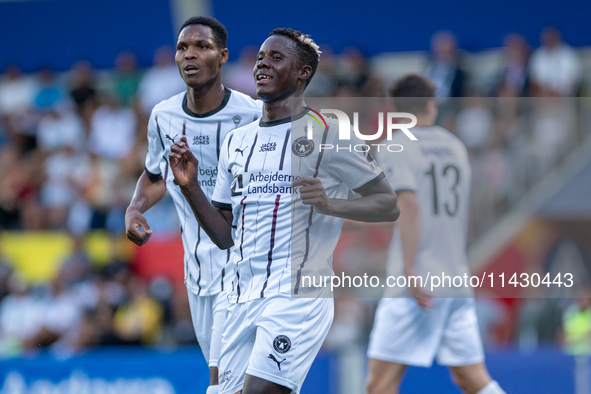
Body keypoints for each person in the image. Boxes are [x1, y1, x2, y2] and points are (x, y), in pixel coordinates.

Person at [168, 28, 399, 394]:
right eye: (261, 57)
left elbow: (388, 204)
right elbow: (225, 234)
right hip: (238, 295)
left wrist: (329, 204)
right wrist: (190, 187)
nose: (263, 63)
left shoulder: (330, 133)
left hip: (296, 295)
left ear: (303, 72)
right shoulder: (237, 141)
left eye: (276, 58)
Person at [124, 16, 262, 394]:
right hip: (198, 276)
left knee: (223, 385)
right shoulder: (163, 116)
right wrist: (135, 208)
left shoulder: (253, 116)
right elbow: (155, 177)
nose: (190, 54)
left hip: (242, 272)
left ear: (222, 57)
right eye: (183, 47)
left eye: (202, 46)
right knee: (241, 384)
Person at [365, 75, 506, 394]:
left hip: (417, 282)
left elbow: (409, 205)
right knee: (472, 378)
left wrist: (410, 270)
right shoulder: (457, 147)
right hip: (455, 276)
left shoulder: (396, 146)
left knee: (379, 383)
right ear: (432, 104)